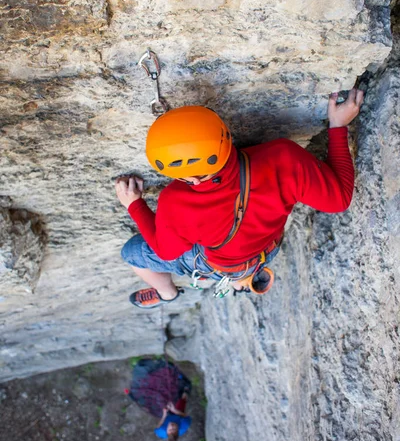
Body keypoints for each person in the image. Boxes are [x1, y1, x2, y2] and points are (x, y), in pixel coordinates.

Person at [115, 88, 364, 308]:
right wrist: (338, 126)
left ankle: (167, 293)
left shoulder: (175, 201)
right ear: (226, 136)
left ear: (187, 178)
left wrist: (135, 205)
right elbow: (339, 199)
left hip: (244, 256)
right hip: (265, 248)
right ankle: (238, 278)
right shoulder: (282, 158)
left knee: (131, 253)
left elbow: (166, 252)